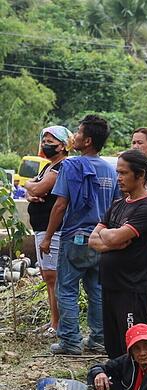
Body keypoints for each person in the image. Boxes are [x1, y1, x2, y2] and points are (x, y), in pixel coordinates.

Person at [45, 115, 118, 355]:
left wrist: (48, 237)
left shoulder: (71, 166)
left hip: (75, 236)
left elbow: (60, 205)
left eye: (77, 132)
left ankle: (70, 340)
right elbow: (116, 205)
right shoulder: (111, 169)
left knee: (66, 288)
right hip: (101, 237)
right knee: (96, 288)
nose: (73, 136)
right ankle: (98, 339)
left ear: (86, 140)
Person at [89, 149, 147, 359]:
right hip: (110, 284)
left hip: (131, 288)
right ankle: (119, 386)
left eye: (123, 173)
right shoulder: (118, 204)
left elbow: (108, 237)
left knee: (135, 346)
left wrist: (108, 237)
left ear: (140, 175)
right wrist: (112, 241)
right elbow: (93, 240)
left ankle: (139, 389)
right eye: (117, 172)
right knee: (113, 347)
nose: (118, 178)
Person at [25, 125, 71, 339]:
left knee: (53, 276)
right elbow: (34, 190)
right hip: (41, 228)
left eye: (51, 141)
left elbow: (37, 188)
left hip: (53, 229)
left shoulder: (61, 167)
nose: (46, 145)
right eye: (44, 141)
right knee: (47, 276)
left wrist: (32, 187)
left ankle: (58, 322)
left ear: (62, 145)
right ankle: (53, 320)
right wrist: (32, 191)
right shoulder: (49, 166)